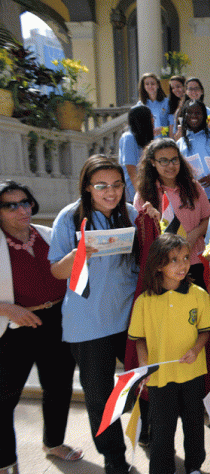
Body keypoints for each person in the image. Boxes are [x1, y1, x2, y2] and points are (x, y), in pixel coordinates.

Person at [49, 156, 141, 474]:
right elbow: (57, 271)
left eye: (117, 185)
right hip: (88, 324)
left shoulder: (130, 214)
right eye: (101, 186)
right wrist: (78, 254)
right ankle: (114, 459)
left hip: (128, 318)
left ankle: (151, 437)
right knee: (100, 396)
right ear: (88, 187)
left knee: (145, 381)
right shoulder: (70, 217)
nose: (110, 192)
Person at [0, 181, 81, 474]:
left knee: (58, 387)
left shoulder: (48, 235)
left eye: (24, 202)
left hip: (58, 321)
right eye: (10, 205)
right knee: (4, 399)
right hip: (13, 328)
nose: (21, 209)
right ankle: (6, 462)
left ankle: (53, 442)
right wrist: (6, 308)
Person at [129, 234, 210, 474]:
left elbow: (205, 332)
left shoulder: (199, 295)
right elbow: (139, 339)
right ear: (158, 265)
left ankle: (194, 466)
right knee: (162, 428)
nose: (183, 264)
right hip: (159, 377)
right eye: (174, 260)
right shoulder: (144, 301)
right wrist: (145, 366)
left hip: (192, 373)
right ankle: (161, 468)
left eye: (186, 258)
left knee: (194, 423)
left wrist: (196, 350)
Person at [135, 138, 210, 286]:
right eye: (163, 161)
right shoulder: (145, 194)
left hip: (194, 259)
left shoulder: (193, 187)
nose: (170, 165)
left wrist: (193, 235)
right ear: (152, 162)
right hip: (163, 266)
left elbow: (208, 219)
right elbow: (142, 234)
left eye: (174, 160)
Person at [177, 100, 210, 206]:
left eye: (198, 113)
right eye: (189, 112)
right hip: (191, 196)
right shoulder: (180, 143)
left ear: (204, 115)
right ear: (184, 115)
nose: (193, 116)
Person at [119, 104, 154, 201]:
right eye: (151, 117)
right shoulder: (128, 137)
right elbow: (131, 169)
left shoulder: (143, 138)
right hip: (133, 195)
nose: (153, 120)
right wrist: (141, 195)